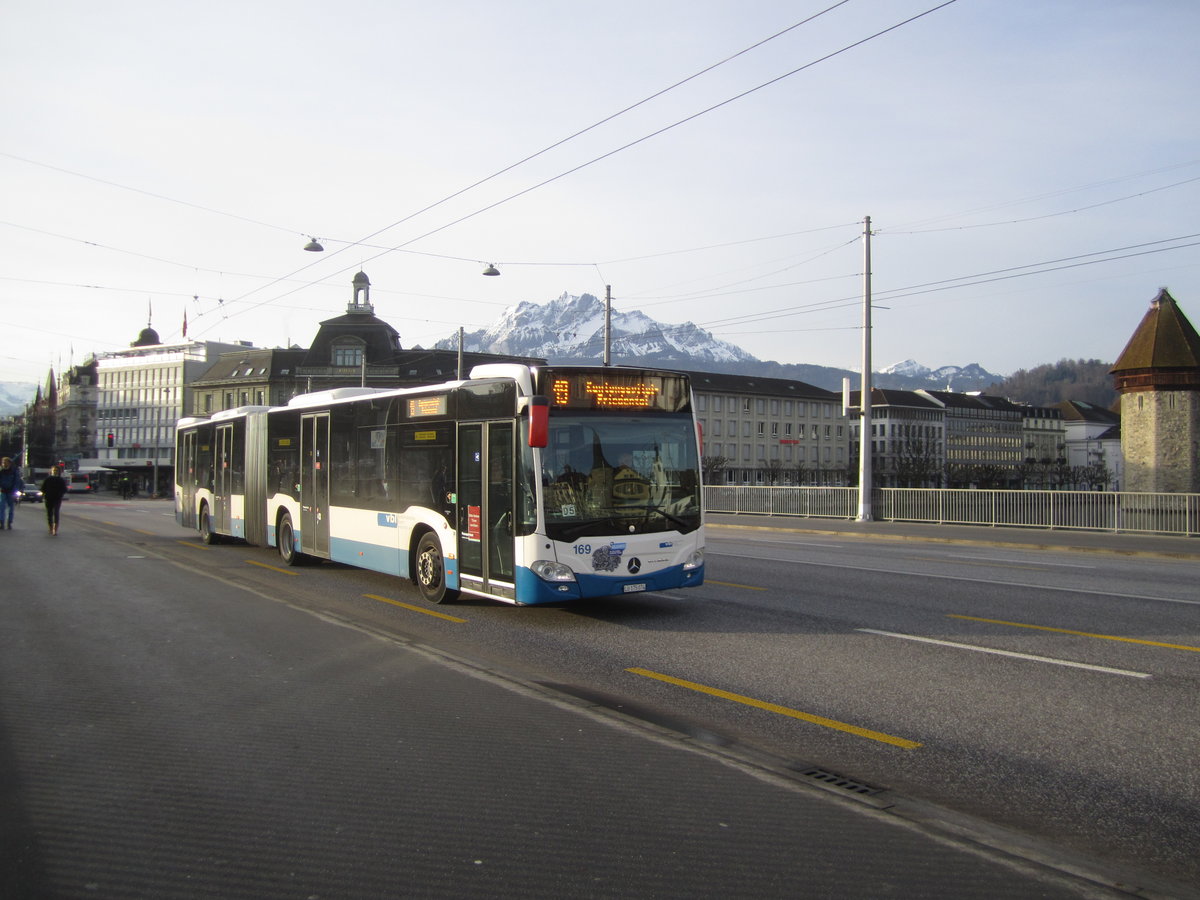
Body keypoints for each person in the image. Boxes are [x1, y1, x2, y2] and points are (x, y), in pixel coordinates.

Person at [42, 466, 68, 536]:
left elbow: (64, 489)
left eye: (56, 470)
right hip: (48, 498)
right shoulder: (48, 479)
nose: (55, 471)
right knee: (49, 513)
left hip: (57, 498)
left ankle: (55, 529)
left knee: (56, 513)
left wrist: (60, 494)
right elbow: (43, 488)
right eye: (54, 470)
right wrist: (45, 494)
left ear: (58, 472)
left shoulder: (61, 480)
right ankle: (50, 527)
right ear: (51, 471)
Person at [0, 457, 23, 530]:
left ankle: (9, 522)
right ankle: (2, 522)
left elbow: (17, 482)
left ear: (9, 463)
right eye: (3, 462)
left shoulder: (14, 471)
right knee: (1, 508)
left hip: (11, 492)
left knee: (11, 508)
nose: (4, 464)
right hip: (2, 491)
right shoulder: (1, 471)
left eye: (5, 462)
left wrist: (15, 491)